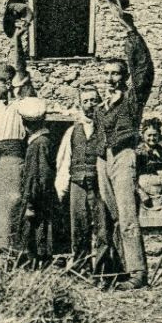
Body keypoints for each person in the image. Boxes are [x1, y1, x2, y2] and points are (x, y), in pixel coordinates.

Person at [94, 0, 157, 289]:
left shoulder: (132, 99)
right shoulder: (101, 106)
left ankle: (138, 274)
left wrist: (129, 29)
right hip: (104, 159)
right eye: (107, 74)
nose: (110, 78)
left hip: (124, 156)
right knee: (113, 217)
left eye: (116, 73)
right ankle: (118, 269)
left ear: (124, 76)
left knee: (128, 217)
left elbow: (144, 70)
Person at [0, 0, 38, 249]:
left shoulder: (21, 102)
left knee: (11, 207)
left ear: (7, 85)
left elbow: (18, 68)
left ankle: (11, 254)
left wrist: (17, 37)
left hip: (13, 161)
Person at [55, 87, 109, 274]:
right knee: (79, 228)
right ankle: (81, 268)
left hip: (100, 184)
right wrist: (61, 191)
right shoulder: (72, 131)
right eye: (85, 101)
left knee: (102, 229)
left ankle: (102, 271)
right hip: (77, 184)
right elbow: (64, 162)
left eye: (93, 100)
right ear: (80, 105)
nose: (89, 105)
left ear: (99, 102)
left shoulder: (106, 129)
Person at [17, 97, 57, 265]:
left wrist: (31, 204)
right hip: (41, 198)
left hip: (37, 200)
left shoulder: (38, 144)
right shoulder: (44, 141)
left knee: (35, 237)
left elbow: (37, 176)